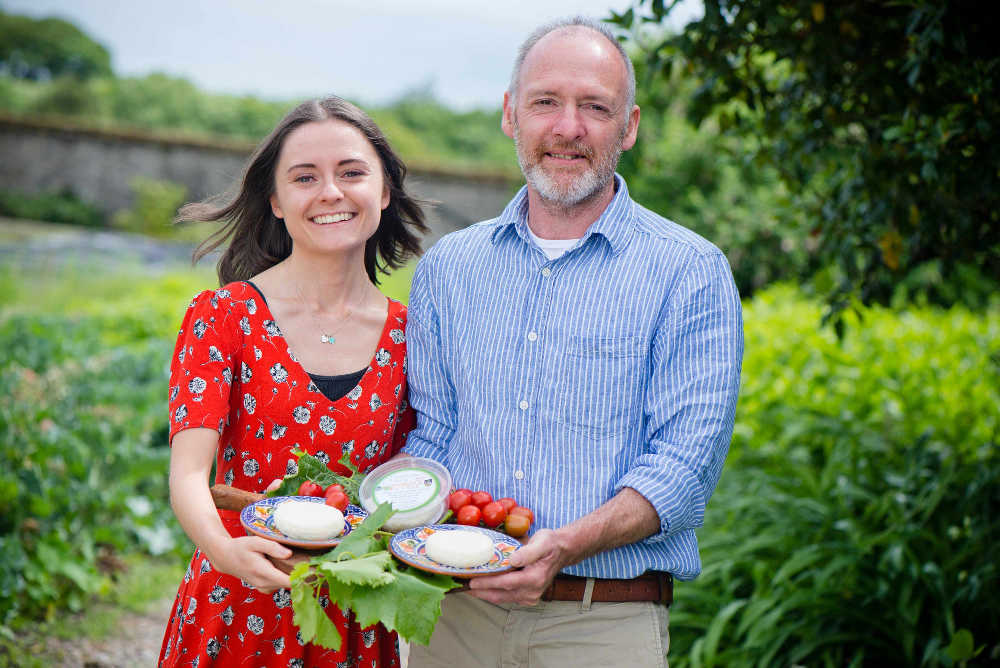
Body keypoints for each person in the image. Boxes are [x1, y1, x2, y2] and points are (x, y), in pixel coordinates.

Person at [403, 16, 743, 668]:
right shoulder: (448, 268)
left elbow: (683, 468)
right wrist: (366, 516)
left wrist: (563, 545)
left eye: (595, 107)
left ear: (631, 127)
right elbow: (434, 436)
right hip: (454, 618)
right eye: (545, 103)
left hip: (604, 623)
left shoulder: (688, 272)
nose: (568, 127)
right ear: (510, 115)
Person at [158, 96, 427, 667]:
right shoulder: (224, 316)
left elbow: (410, 481)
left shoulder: (415, 335)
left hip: (352, 613)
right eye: (305, 177)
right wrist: (227, 553)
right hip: (236, 600)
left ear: (383, 192)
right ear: (277, 201)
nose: (331, 191)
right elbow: (187, 475)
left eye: (351, 172)